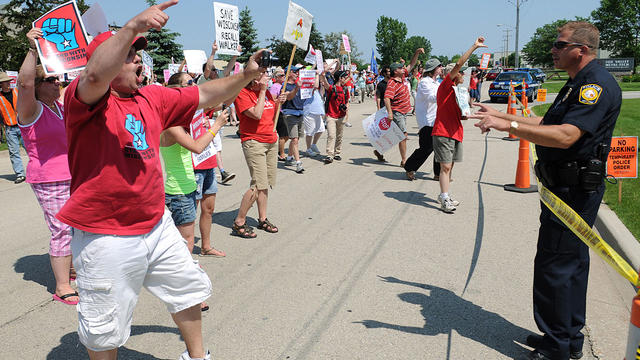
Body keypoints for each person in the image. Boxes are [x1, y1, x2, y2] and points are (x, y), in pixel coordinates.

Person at [56, 2, 266, 359]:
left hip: (156, 224)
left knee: (187, 291)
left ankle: (198, 357)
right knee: (104, 328)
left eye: (140, 54)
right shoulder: (86, 100)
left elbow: (204, 94)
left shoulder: (150, 96)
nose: (139, 60)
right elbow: (94, 76)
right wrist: (133, 27)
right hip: (106, 235)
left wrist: (247, 74)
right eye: (129, 55)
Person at [471, 22, 620, 360]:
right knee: (565, 264)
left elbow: (567, 136)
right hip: (562, 185)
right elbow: (547, 124)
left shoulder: (595, 85)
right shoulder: (576, 83)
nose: (553, 49)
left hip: (574, 189)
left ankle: (558, 347)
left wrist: (507, 125)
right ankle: (564, 338)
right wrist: (501, 115)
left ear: (580, 50)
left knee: (559, 267)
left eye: (559, 44)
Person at [16, 27, 76, 305]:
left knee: (76, 226)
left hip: (72, 174)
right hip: (49, 178)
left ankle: (71, 268)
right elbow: (24, 84)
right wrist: (31, 48)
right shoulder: (31, 109)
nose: (57, 84)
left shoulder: (59, 107)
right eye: (50, 80)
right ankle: (62, 285)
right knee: (61, 229)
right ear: (39, 85)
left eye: (58, 80)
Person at [161, 72, 228, 259]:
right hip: (178, 192)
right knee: (186, 242)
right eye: (189, 82)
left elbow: (213, 100)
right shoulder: (171, 126)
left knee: (184, 240)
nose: (193, 85)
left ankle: (183, 275)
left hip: (187, 187)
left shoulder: (180, 120)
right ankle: (182, 279)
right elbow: (197, 147)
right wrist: (217, 126)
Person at [431, 36, 486, 213]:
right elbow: (458, 64)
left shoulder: (458, 92)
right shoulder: (446, 85)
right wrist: (474, 47)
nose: (464, 75)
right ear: (454, 75)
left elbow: (461, 116)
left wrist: (473, 115)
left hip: (455, 132)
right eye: (462, 73)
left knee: (450, 167)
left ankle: (445, 194)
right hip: (443, 132)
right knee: (445, 166)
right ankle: (444, 197)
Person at [232, 72, 285, 238]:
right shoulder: (242, 93)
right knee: (257, 183)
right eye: (264, 75)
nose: (268, 77)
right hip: (254, 141)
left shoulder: (266, 91)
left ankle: (262, 219)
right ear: (254, 79)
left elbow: (270, 111)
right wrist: (262, 91)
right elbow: (256, 114)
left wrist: (278, 102)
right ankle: (239, 222)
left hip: (270, 139)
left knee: (265, 182)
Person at [404, 58, 442, 181]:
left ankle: (438, 173)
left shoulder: (437, 83)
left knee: (439, 147)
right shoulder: (425, 82)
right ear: (433, 69)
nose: (441, 68)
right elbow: (431, 98)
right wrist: (446, 94)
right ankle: (409, 166)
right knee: (426, 147)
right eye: (439, 66)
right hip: (427, 120)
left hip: (437, 118)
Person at [383, 62, 413, 167]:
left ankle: (379, 150)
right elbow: (387, 98)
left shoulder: (403, 78)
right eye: (400, 68)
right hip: (397, 112)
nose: (403, 69)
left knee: (395, 134)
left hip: (404, 112)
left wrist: (417, 53)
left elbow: (411, 65)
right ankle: (404, 160)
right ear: (395, 71)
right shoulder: (392, 83)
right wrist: (390, 113)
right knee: (403, 136)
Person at [0, 71, 26, 183]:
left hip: (23, 126)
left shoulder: (16, 91)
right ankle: (20, 174)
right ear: (1, 84)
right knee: (14, 152)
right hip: (10, 129)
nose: (8, 83)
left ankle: (38, 169)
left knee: (30, 149)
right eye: (5, 82)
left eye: (8, 81)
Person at [319, 70, 350, 164]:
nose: (346, 79)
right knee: (331, 135)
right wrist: (323, 76)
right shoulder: (332, 88)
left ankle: (337, 152)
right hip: (331, 116)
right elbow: (326, 83)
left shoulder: (345, 89)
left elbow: (347, 101)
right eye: (345, 77)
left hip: (341, 116)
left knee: (339, 135)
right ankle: (329, 154)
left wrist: (346, 107)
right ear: (340, 78)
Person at [281, 65, 305, 173]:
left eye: (297, 71)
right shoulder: (285, 85)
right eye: (294, 71)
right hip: (290, 114)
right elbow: (289, 97)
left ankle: (290, 158)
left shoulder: (299, 84)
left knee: (296, 139)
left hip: (300, 113)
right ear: (289, 73)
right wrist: (296, 88)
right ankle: (298, 163)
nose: (297, 73)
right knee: (294, 139)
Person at [268, 67, 289, 161]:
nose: (283, 77)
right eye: (281, 75)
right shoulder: (274, 86)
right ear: (276, 77)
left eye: (284, 75)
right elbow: (272, 100)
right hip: (278, 112)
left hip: (283, 111)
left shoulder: (283, 85)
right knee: (284, 134)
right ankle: (281, 153)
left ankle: (278, 151)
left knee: (286, 135)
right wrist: (280, 100)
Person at [302, 73, 325, 157]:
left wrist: (322, 85)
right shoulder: (306, 87)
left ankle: (313, 145)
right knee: (310, 132)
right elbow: (315, 86)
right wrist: (317, 75)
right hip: (310, 112)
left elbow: (321, 93)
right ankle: (308, 149)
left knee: (321, 129)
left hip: (317, 112)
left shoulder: (316, 90)